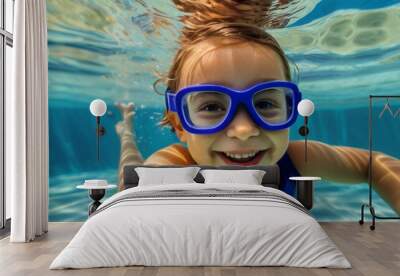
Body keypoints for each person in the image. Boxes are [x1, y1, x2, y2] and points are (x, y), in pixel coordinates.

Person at [115, 0, 400, 214]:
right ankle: (125, 129)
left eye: (264, 103)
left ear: (291, 108)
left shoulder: (297, 158)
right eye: (213, 106)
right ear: (180, 124)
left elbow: (372, 164)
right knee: (131, 162)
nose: (244, 130)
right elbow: (128, 205)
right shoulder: (172, 168)